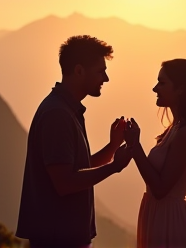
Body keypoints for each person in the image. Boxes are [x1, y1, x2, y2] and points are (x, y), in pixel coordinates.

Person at [16, 35, 132, 248]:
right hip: (58, 239)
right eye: (100, 71)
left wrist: (113, 146)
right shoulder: (57, 115)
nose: (105, 79)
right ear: (79, 70)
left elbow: (78, 168)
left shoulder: (66, 109)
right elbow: (65, 183)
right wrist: (115, 166)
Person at [124, 59, 186, 248]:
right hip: (157, 216)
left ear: (181, 89)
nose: (155, 88)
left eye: (162, 82)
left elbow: (161, 189)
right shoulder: (174, 129)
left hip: (169, 222)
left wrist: (135, 147)